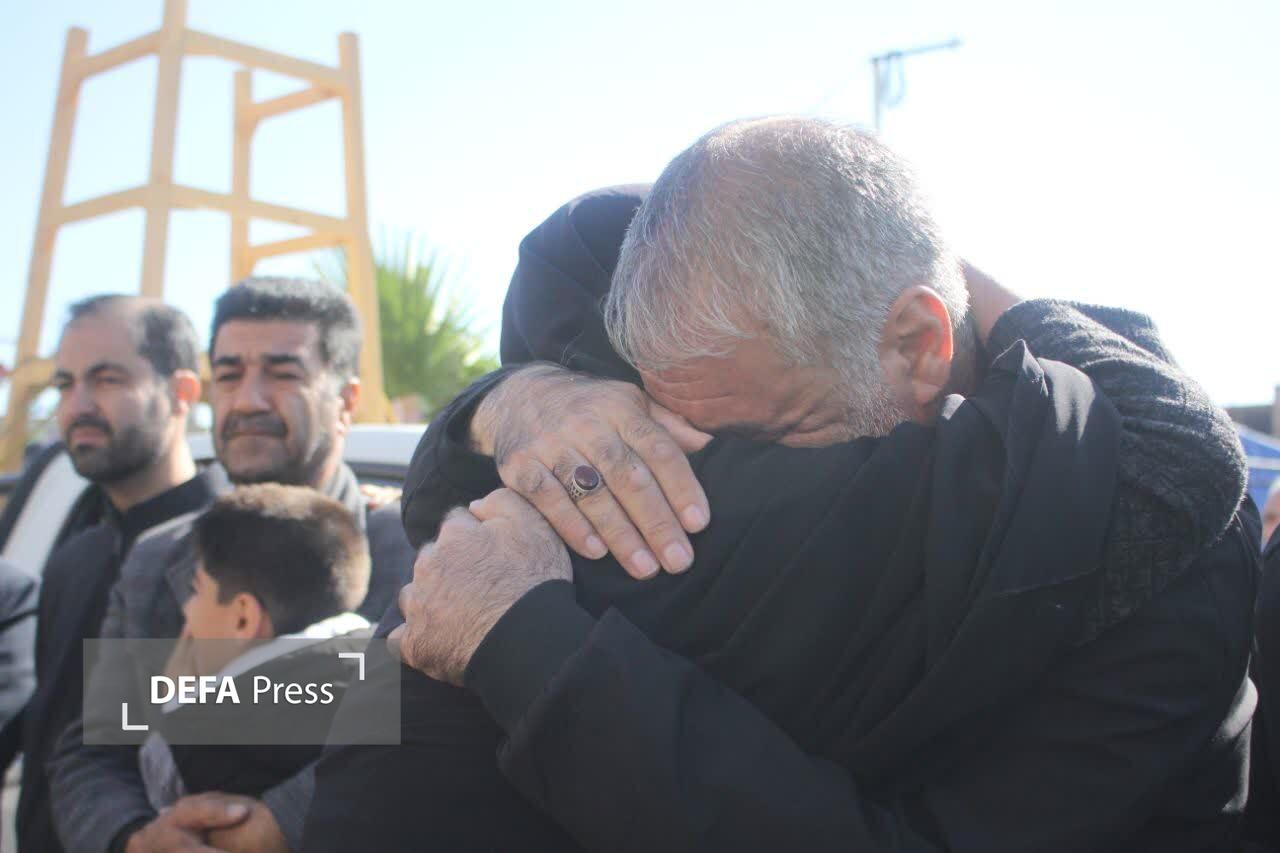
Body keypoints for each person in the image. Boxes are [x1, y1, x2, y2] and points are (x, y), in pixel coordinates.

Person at [310, 121, 1253, 852]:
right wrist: (518, 402)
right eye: (644, 419)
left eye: (761, 437)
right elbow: (429, 534)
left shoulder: (1152, 564)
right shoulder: (622, 299)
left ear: (918, 346)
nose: (676, 470)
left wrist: (523, 642)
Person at [49, 278, 415, 853]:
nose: (247, 400)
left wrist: (280, 824)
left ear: (346, 402)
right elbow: (95, 752)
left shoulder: (417, 554)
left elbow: (438, 737)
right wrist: (137, 838)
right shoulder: (158, 561)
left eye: (282, 373)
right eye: (228, 375)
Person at [0, 296, 219, 853]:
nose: (78, 406)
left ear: (182, 393)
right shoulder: (73, 559)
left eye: (106, 380)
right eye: (65, 384)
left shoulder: (231, 554)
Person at [139, 483, 371, 810]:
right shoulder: (391, 674)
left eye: (197, 590)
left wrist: (175, 705)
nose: (187, 610)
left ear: (243, 618)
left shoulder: (203, 742)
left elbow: (165, 797)